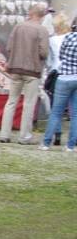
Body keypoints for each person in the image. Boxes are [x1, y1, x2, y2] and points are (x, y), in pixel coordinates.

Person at [0, 2, 49, 145]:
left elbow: (8, 47)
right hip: (32, 71)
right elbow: (44, 52)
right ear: (42, 16)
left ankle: (4, 134)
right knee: (29, 103)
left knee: (11, 101)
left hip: (15, 69)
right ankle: (24, 136)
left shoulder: (18, 27)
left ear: (30, 14)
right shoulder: (42, 30)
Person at [40, 19, 77, 152]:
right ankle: (71, 145)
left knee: (56, 112)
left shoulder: (68, 37)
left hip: (64, 76)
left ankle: (46, 143)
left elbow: (60, 55)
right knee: (75, 114)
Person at [43, 12, 71, 147]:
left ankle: (56, 135)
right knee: (73, 108)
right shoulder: (73, 38)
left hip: (57, 73)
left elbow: (49, 61)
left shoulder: (52, 40)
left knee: (56, 107)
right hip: (73, 74)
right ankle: (73, 140)